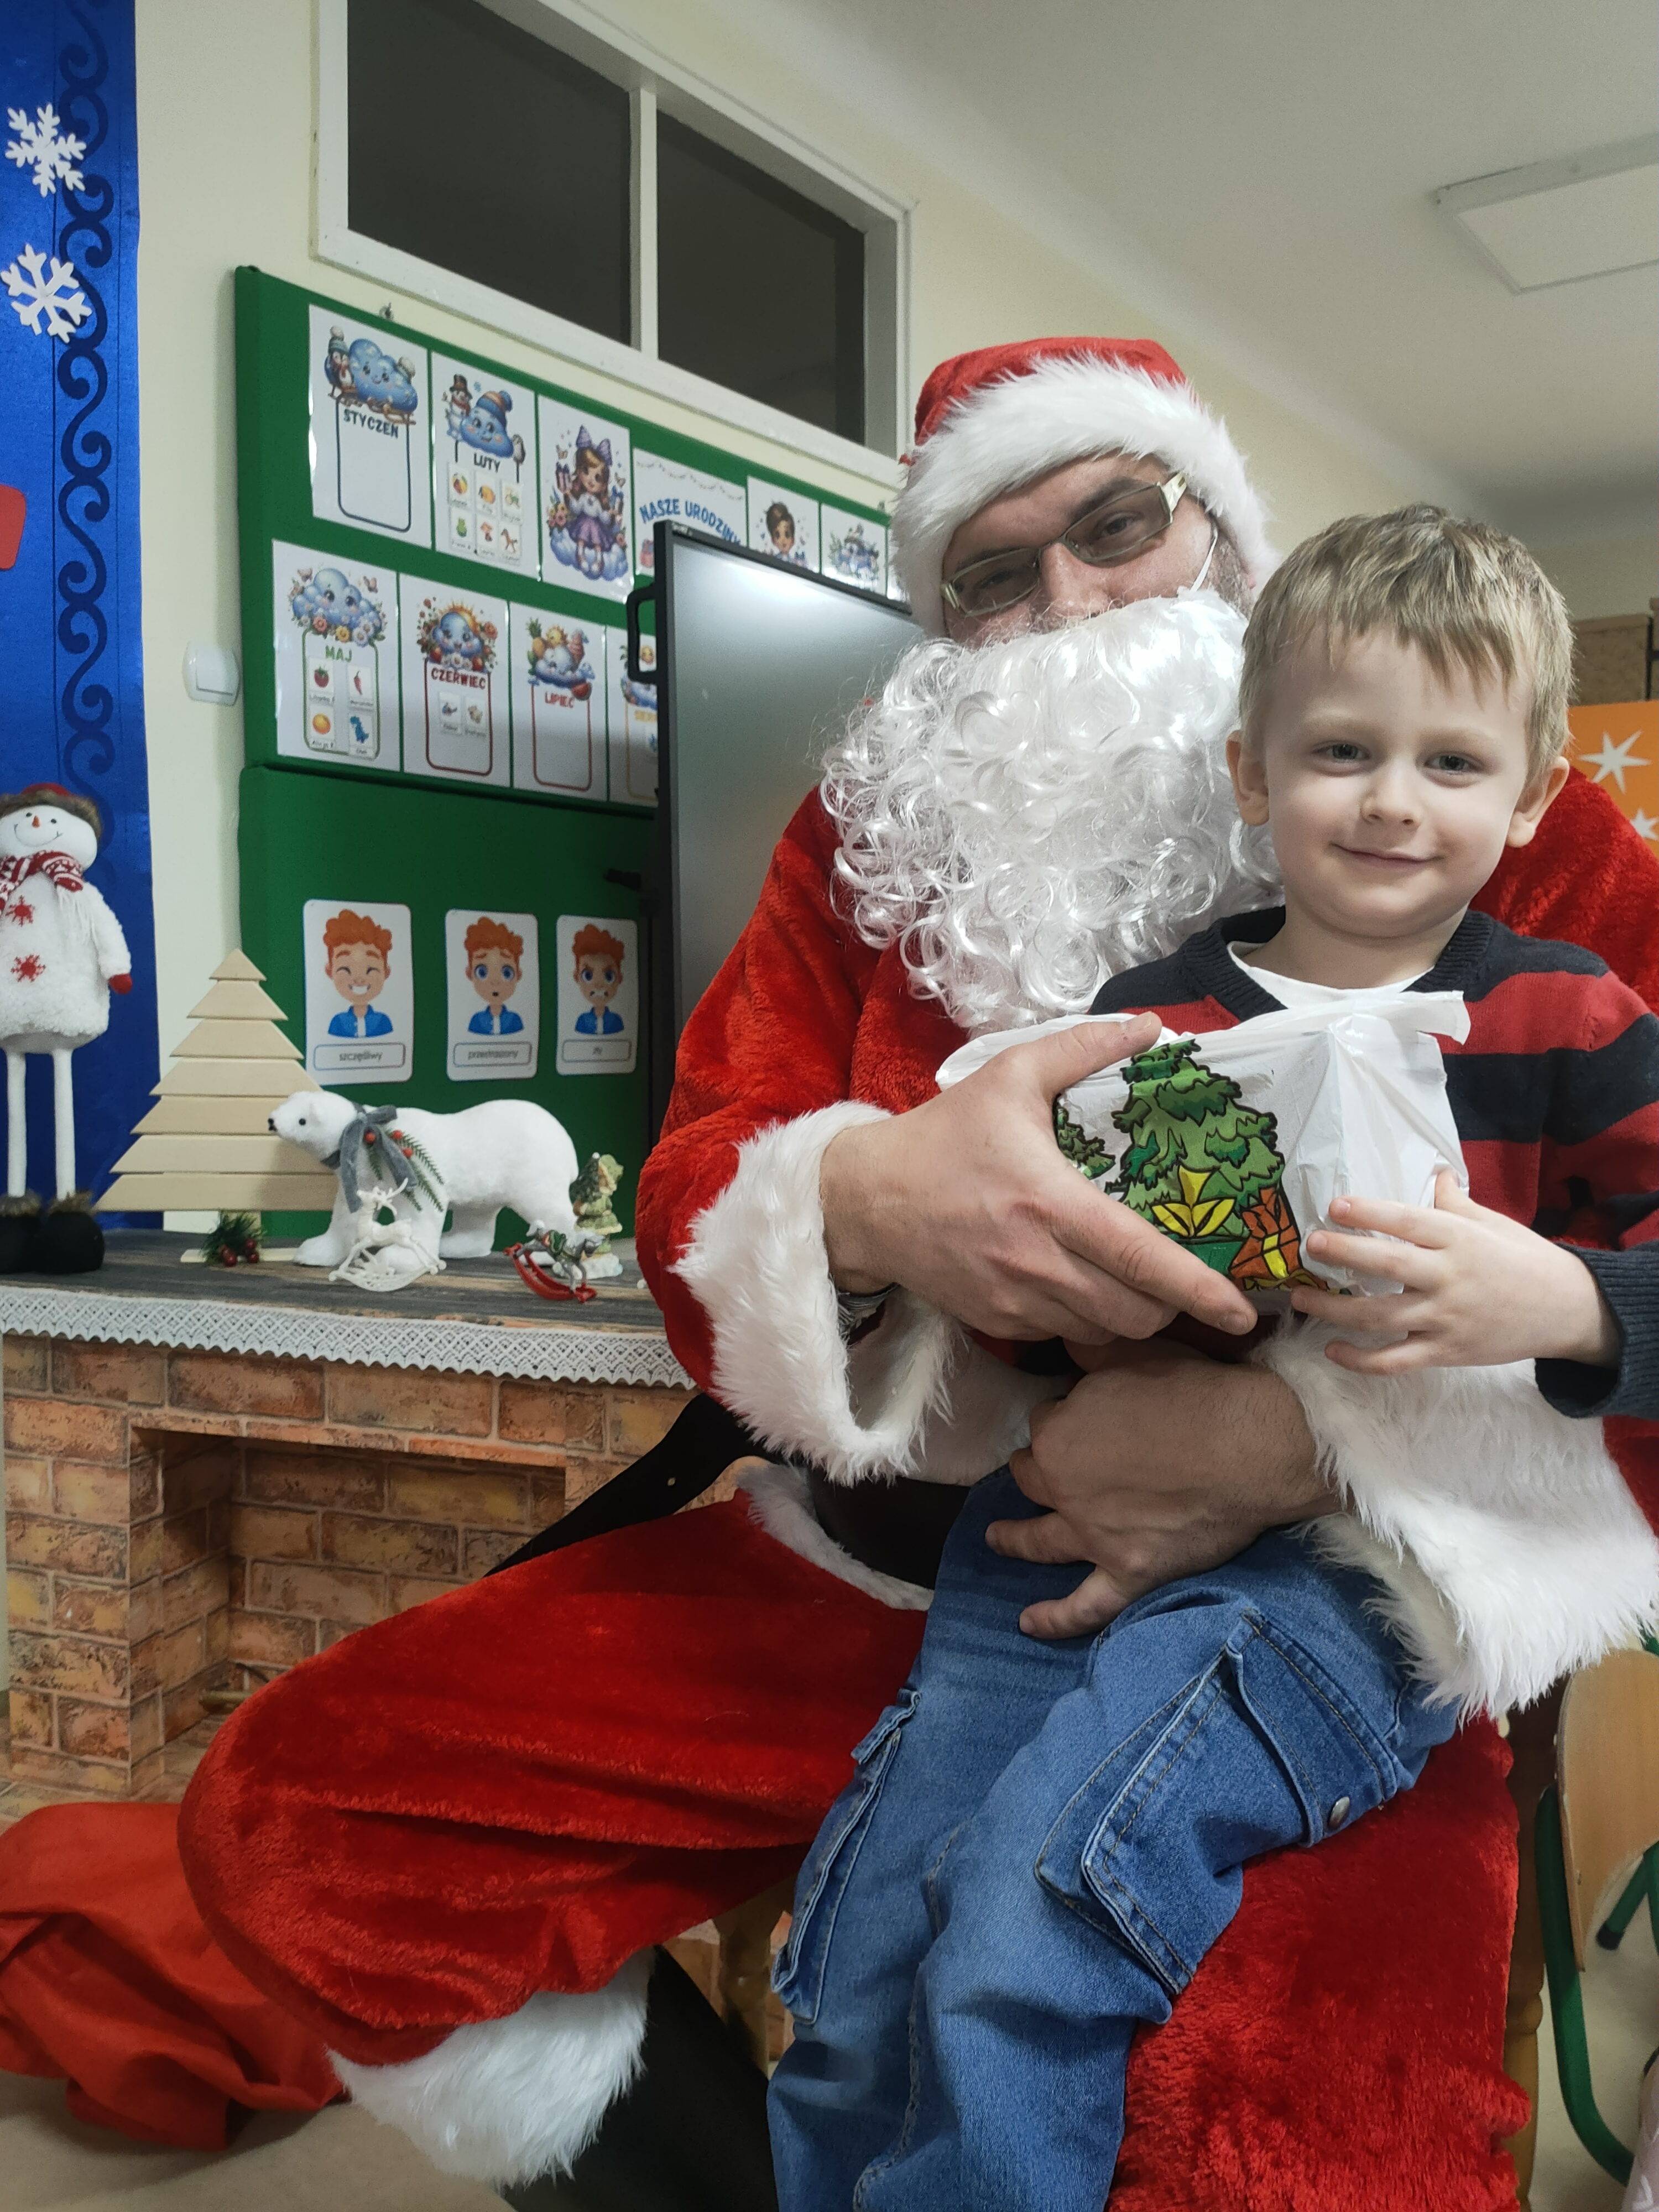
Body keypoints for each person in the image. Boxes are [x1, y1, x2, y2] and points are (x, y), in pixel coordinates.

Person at [4, 339, 1658, 2210]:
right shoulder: (878, 832)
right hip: (893, 1564)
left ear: (1222, 531)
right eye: (991, 571)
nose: (1065, 601)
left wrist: (1309, 1449)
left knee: (1256, 2122)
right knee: (313, 1818)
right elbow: (701, 1173)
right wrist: (866, 1196)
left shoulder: (1477, 789)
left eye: (1118, 524)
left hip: (1352, 1593)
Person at [765, 504, 1659, 2211]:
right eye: (1341, 752)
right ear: (1252, 771)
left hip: (1356, 1576)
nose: (1392, 801)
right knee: (862, 1959)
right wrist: (1041, 1255)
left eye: (1451, 762)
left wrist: (1564, 1299)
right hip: (1053, 1542)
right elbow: (1038, 1305)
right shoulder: (1150, 1014)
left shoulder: (1573, 1021)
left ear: (1533, 794)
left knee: (1024, 1929)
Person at [322, 909, 394, 1037]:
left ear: (386, 972)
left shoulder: (383, 1022)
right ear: (329, 971)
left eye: (371, 970)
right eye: (346, 969)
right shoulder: (338, 1022)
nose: (359, 979)